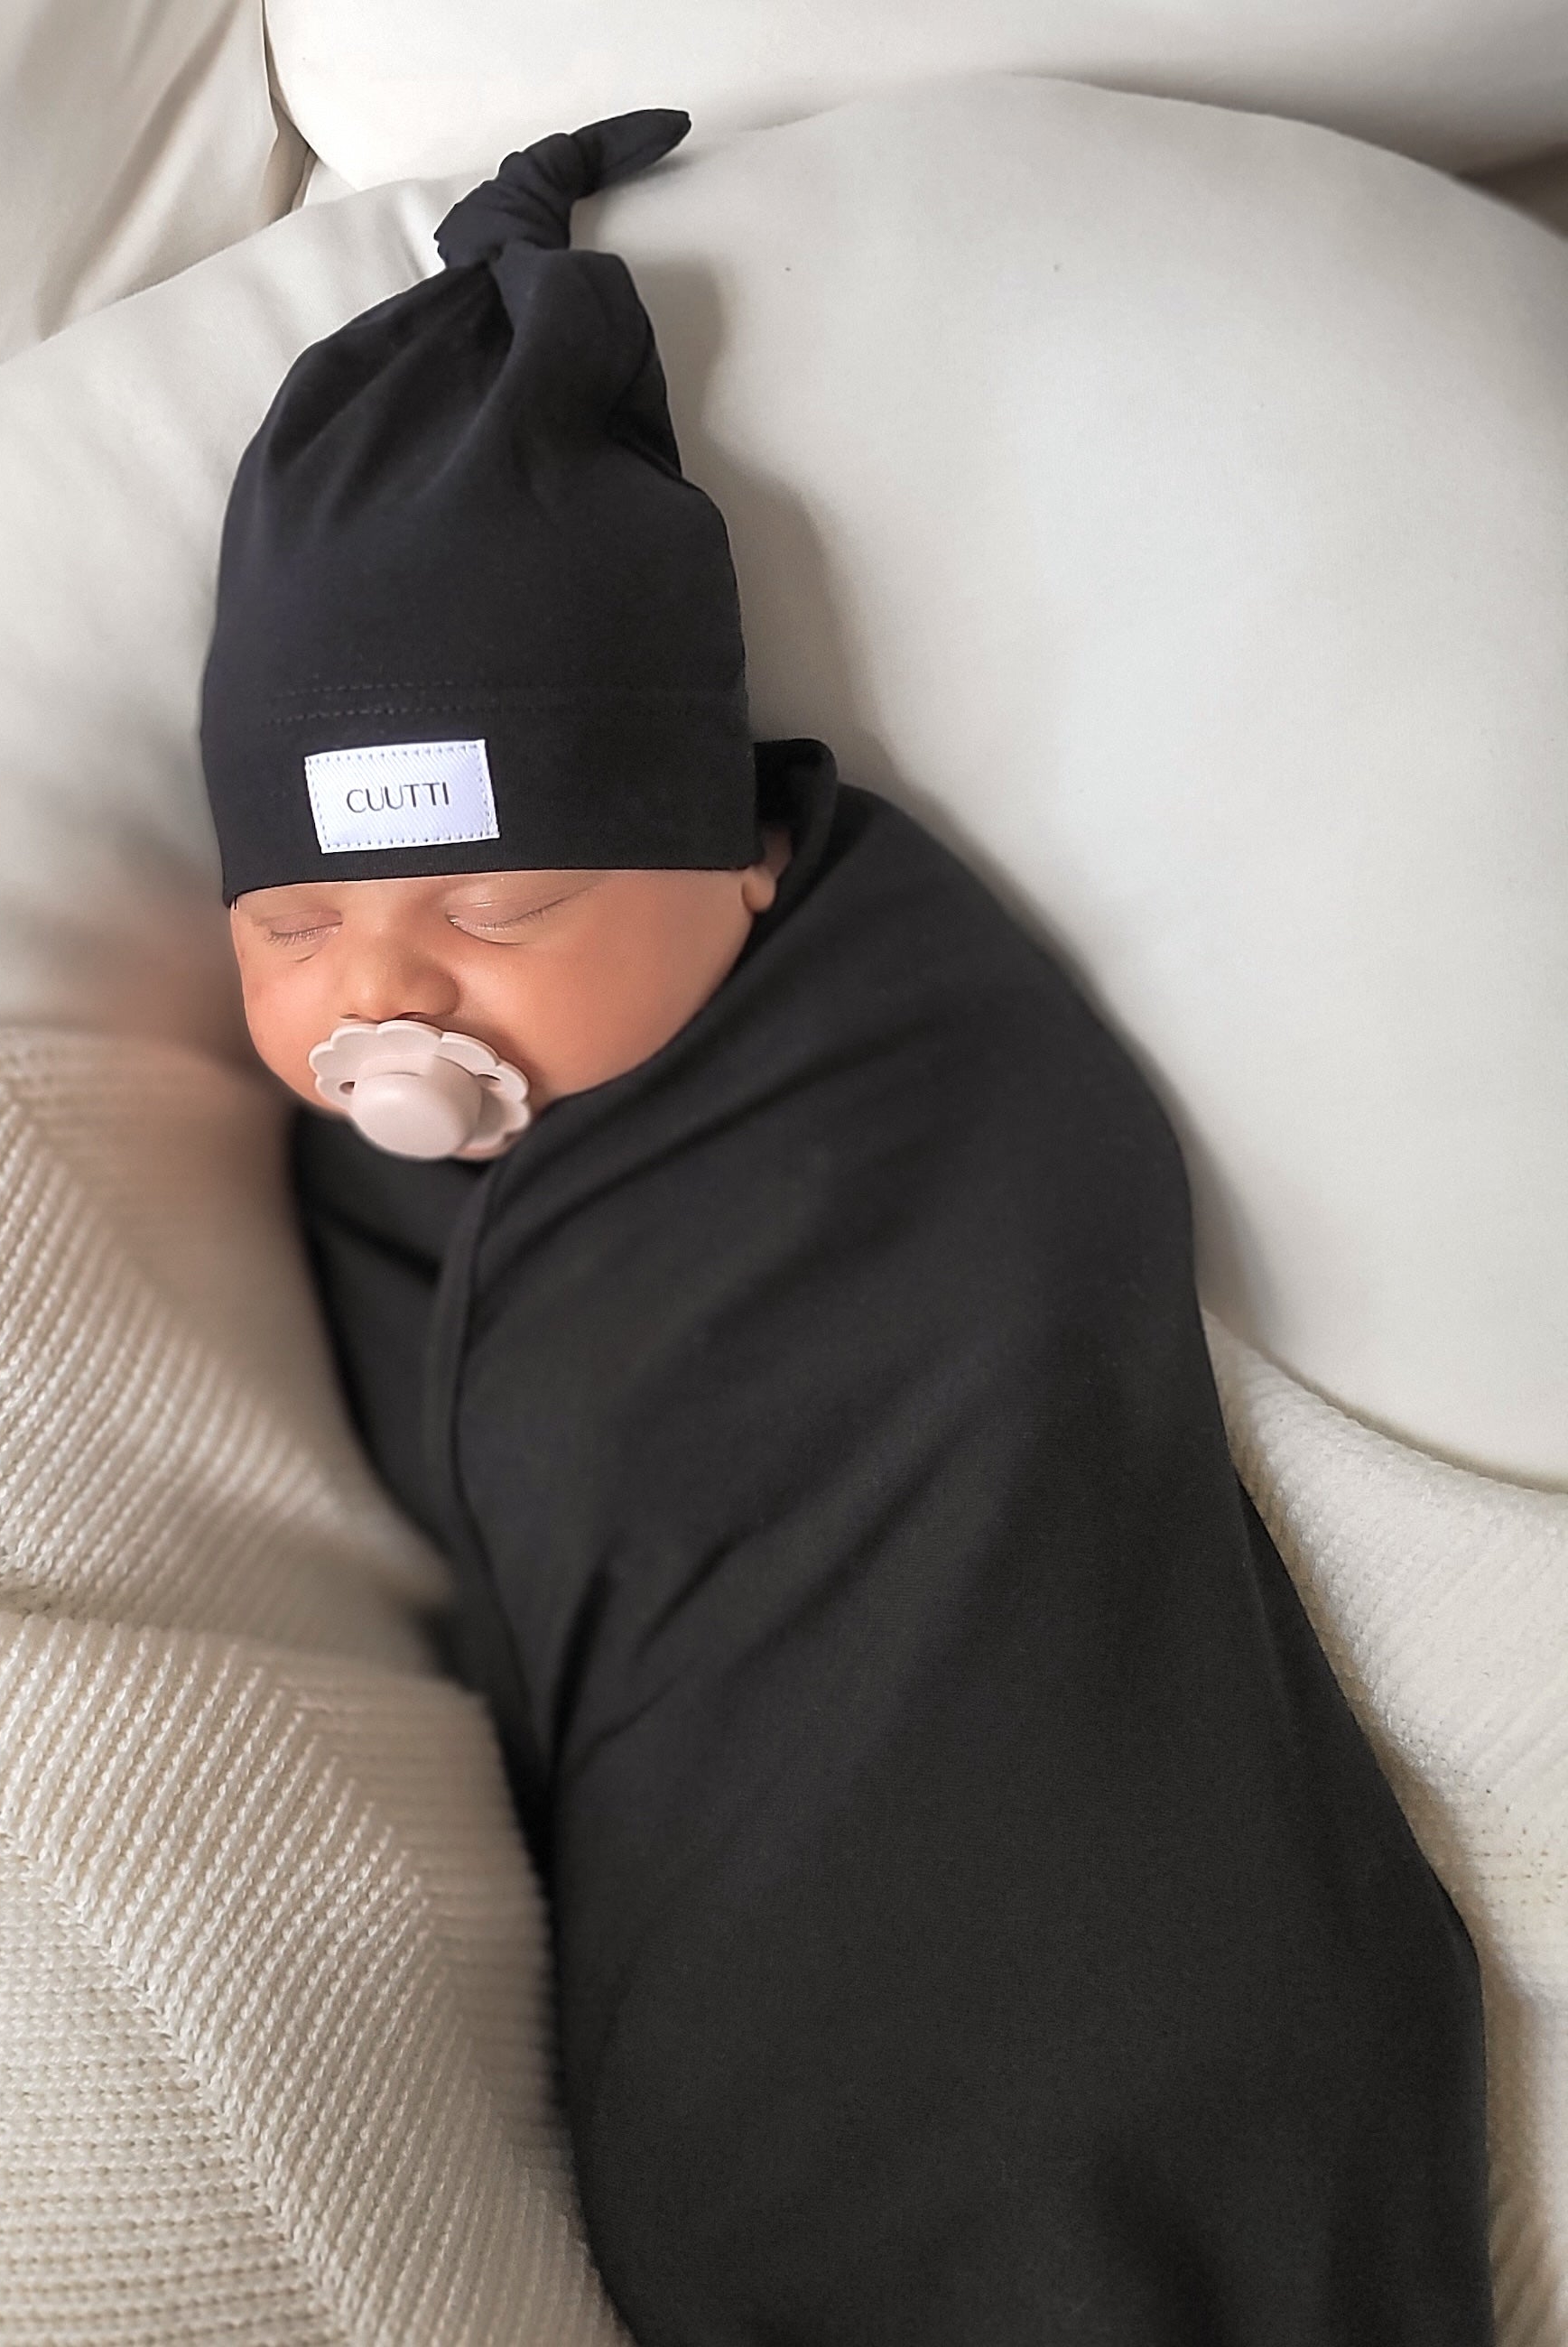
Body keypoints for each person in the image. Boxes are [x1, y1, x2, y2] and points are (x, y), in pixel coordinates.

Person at [199, 108, 1496, 2344]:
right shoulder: (323, 1200)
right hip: (731, 2020)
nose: (380, 996)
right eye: (293, 923)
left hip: (1109, 1947)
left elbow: (1016, 1414)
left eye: (498, 904)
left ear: (741, 864)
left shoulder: (907, 1072)